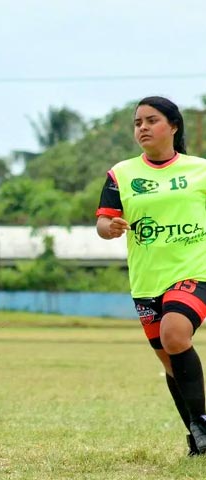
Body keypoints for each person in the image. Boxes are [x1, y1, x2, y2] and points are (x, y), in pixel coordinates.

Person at [96, 96, 206, 456]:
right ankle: (197, 438)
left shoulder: (199, 170)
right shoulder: (122, 173)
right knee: (171, 361)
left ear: (173, 126)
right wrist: (110, 227)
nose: (142, 127)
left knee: (175, 335)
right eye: (137, 122)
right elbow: (102, 222)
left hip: (195, 271)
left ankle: (203, 421)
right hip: (146, 281)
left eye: (151, 120)